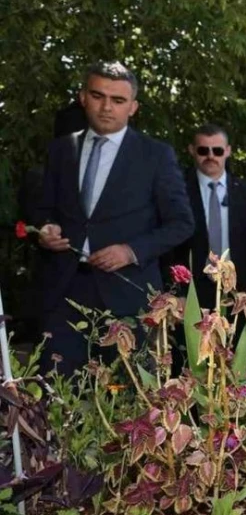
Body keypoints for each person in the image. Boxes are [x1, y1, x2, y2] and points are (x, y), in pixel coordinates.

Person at [33, 61, 194, 376]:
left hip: (128, 295)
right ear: (83, 97)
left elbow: (182, 223)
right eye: (98, 96)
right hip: (65, 291)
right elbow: (45, 210)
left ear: (133, 107)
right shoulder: (61, 149)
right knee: (53, 395)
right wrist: (47, 230)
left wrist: (130, 251)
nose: (106, 107)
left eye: (118, 100)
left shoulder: (156, 155)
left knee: (131, 407)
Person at [170, 124, 246, 308]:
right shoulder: (178, 190)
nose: (211, 156)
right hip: (191, 291)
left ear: (228, 151)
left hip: (238, 290)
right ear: (192, 150)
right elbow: (169, 246)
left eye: (218, 150)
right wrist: (176, 291)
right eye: (203, 150)